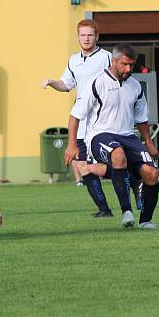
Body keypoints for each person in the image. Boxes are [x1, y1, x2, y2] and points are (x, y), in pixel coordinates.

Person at [64, 44, 159, 229]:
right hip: (99, 135)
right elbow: (75, 115)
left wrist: (149, 142)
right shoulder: (97, 82)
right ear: (114, 61)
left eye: (131, 65)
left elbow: (141, 118)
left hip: (128, 136)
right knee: (117, 154)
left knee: (151, 173)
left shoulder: (135, 86)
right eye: (124, 64)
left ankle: (146, 221)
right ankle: (127, 211)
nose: (128, 69)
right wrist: (71, 145)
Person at [42, 19, 115, 217]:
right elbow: (66, 84)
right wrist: (51, 82)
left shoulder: (107, 57)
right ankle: (104, 210)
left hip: (104, 122)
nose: (86, 38)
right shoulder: (73, 60)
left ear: (97, 36)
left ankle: (133, 179)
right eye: (82, 35)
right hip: (82, 123)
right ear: (77, 37)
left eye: (90, 35)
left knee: (112, 163)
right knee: (83, 167)